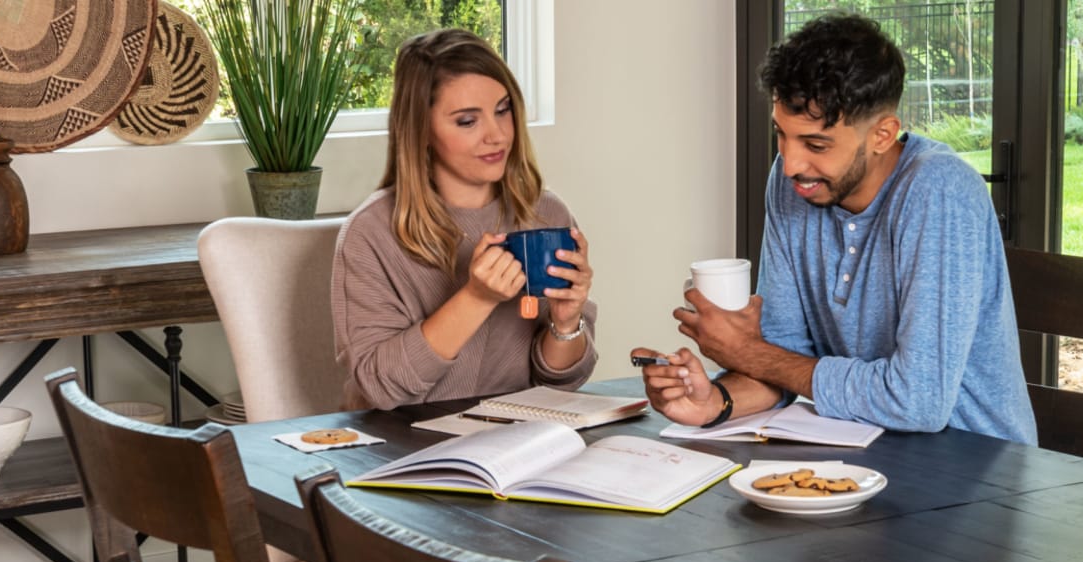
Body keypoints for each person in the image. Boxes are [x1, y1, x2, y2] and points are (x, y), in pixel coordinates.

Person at [633, 13, 1036, 444]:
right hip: (863, 453)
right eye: (781, 135)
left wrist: (748, 352)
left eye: (816, 145)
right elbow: (784, 357)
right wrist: (715, 400)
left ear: (883, 134)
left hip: (975, 466)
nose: (790, 164)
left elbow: (917, 401)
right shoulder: (795, 185)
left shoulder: (939, 190)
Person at [333, 29, 598, 410]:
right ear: (421, 130)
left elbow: (562, 384)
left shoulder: (545, 215)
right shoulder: (371, 233)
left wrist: (567, 322)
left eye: (503, 110)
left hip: (515, 443)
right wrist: (476, 298)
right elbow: (379, 388)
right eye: (467, 121)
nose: (497, 135)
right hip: (400, 450)